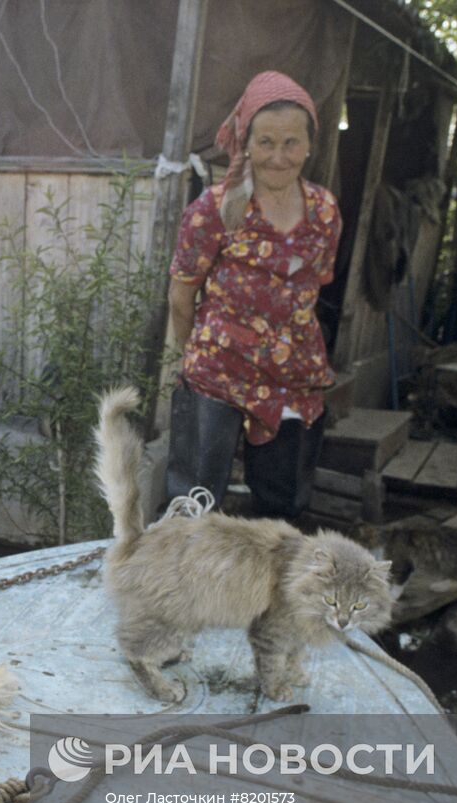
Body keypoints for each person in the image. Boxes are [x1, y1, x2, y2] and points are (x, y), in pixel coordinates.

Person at [164, 71, 342, 518]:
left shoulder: (324, 211)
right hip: (218, 371)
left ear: (309, 145)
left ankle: (266, 589)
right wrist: (191, 364)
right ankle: (182, 588)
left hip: (292, 379)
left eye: (291, 143)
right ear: (246, 144)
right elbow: (180, 297)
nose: (278, 157)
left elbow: (315, 283)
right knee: (194, 505)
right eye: (265, 142)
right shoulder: (213, 210)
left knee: (284, 509)